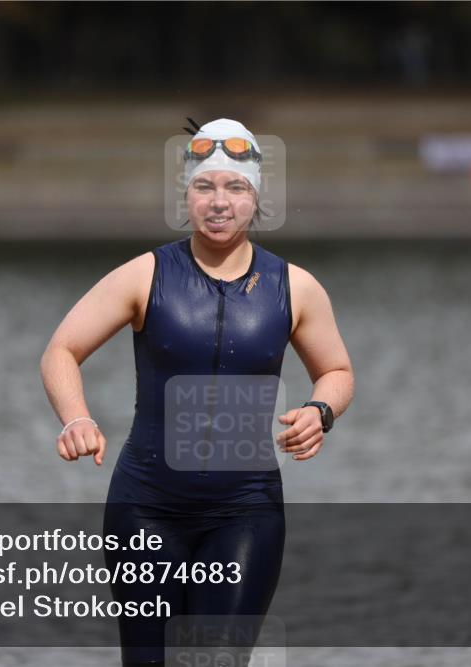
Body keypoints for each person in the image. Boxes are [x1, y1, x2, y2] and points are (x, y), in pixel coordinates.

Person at [40, 118, 354, 666]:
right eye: (204, 186)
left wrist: (320, 410)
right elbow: (61, 350)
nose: (219, 202)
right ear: (185, 195)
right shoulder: (145, 275)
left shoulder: (295, 287)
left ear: (257, 198)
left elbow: (337, 370)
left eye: (236, 187)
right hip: (145, 509)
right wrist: (77, 418)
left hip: (246, 511)